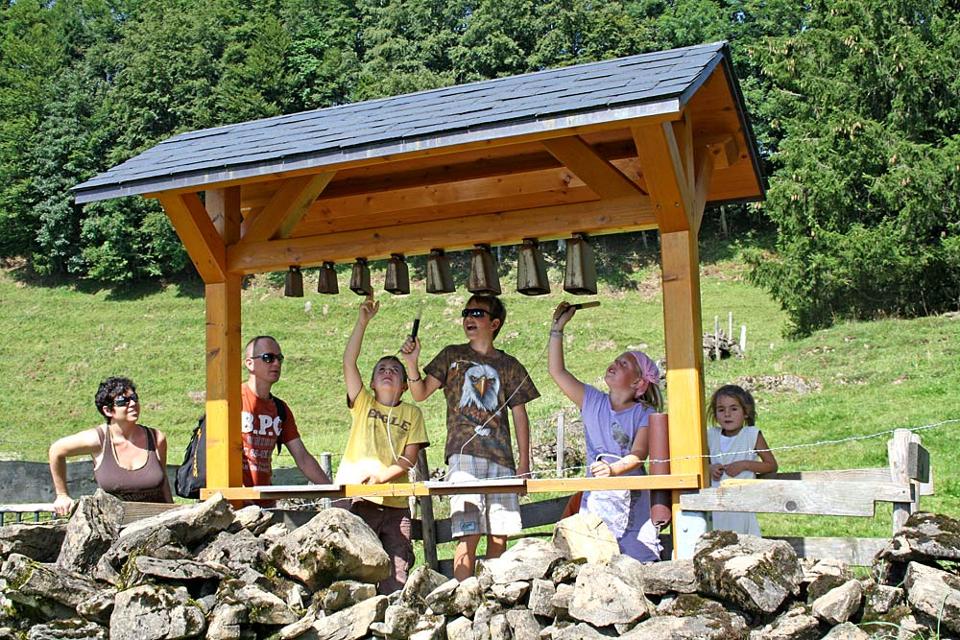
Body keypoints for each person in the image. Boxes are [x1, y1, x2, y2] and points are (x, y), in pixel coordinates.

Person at [400, 294, 539, 581]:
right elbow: (420, 393)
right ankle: (464, 596)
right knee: (468, 533)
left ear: (495, 323)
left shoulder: (510, 365)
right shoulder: (451, 354)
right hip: (463, 458)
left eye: (478, 313)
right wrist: (412, 363)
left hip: (502, 458)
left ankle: (493, 593)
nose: (469, 318)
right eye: (466, 312)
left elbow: (520, 415)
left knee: (500, 535)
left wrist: (524, 463)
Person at [547, 301, 663, 562]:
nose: (614, 363)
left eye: (623, 364)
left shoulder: (645, 414)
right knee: (594, 556)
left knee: (635, 560)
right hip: (596, 495)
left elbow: (638, 455)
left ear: (637, 382)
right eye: (616, 360)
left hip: (631, 497)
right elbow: (557, 371)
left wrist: (612, 470)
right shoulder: (592, 401)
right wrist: (557, 330)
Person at [339, 297, 430, 593]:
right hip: (360, 499)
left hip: (396, 503)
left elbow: (408, 459)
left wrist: (382, 478)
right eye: (381, 369)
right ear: (372, 383)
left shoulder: (412, 413)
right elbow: (348, 361)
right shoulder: (363, 403)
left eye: (395, 369)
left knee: (397, 570)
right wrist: (362, 321)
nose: (388, 371)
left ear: (405, 384)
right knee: (355, 569)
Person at [49, 377, 172, 515]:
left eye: (134, 398)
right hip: (114, 528)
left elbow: (163, 483)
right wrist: (62, 495)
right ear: (108, 410)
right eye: (122, 401)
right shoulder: (98, 440)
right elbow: (56, 450)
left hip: (156, 525)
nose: (132, 404)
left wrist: (172, 513)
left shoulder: (156, 438)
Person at [242, 335, 330, 496]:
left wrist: (335, 493)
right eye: (268, 358)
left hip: (265, 505)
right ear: (249, 363)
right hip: (231, 506)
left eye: (279, 358)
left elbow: (302, 458)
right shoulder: (232, 402)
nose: (276, 363)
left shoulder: (280, 409)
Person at [707, 384, 778, 536]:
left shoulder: (751, 435)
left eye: (733, 409)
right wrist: (709, 468)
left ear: (745, 412)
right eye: (721, 410)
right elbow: (698, 462)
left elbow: (771, 465)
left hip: (742, 506)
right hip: (715, 507)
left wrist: (745, 465)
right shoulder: (710, 436)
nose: (727, 414)